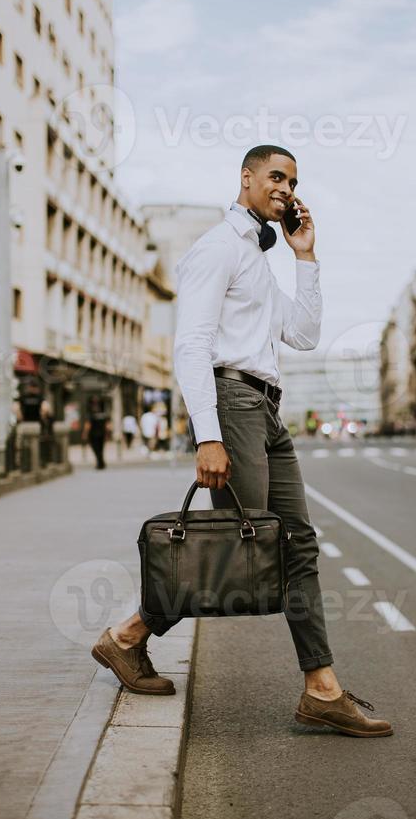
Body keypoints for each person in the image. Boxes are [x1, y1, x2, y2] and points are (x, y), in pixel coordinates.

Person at [92, 145, 392, 737]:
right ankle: (127, 636)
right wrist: (208, 435)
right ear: (246, 179)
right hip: (231, 405)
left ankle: (321, 689)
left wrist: (306, 257)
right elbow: (192, 345)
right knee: (239, 547)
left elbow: (303, 335)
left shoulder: (259, 261)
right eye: (275, 176)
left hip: (267, 411)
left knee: (295, 543)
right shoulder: (217, 248)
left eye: (294, 181)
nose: (285, 187)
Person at [82, 395, 110, 470]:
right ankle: (101, 462)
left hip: (94, 434)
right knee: (100, 449)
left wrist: (85, 434)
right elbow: (107, 425)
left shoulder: (91, 413)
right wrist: (107, 433)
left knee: (97, 449)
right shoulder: (103, 413)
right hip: (100, 434)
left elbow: (88, 425)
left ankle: (100, 462)